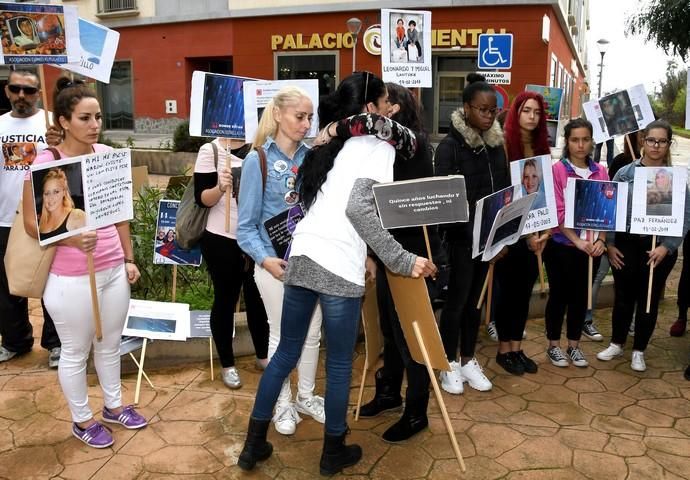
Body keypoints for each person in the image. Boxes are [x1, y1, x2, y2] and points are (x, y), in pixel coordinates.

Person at [237, 72, 436, 475]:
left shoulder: (333, 141)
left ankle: (252, 445)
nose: (391, 109)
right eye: (384, 103)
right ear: (371, 109)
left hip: (304, 255)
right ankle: (332, 452)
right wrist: (401, 259)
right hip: (337, 265)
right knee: (341, 362)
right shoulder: (376, 145)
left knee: (285, 353)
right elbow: (359, 211)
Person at [21, 77, 147, 448]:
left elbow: (121, 213)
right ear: (63, 121)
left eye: (98, 117)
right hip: (69, 276)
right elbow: (32, 223)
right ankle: (81, 419)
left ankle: (113, 406)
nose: (95, 125)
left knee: (109, 344)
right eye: (84, 118)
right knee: (75, 351)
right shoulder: (46, 162)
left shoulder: (106, 155)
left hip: (112, 270)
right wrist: (72, 237)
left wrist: (128, 259)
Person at [237, 86, 325, 436]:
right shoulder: (257, 160)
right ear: (278, 114)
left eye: (309, 118)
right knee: (281, 335)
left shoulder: (313, 159)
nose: (306, 124)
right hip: (275, 267)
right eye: (299, 116)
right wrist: (265, 260)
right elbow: (245, 227)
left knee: (312, 333)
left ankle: (306, 394)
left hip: (312, 263)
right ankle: (282, 402)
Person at [356, 83, 435, 442]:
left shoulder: (413, 142)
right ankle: (389, 393)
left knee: (410, 337)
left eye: (381, 104)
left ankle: (417, 412)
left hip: (409, 253)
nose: (374, 111)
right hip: (385, 250)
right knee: (388, 329)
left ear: (395, 110)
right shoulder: (380, 147)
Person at [434, 73, 509, 393]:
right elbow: (445, 202)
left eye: (493, 110)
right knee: (456, 303)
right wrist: (474, 235)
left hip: (488, 242)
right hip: (461, 242)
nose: (489, 116)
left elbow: (504, 192)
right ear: (466, 108)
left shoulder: (496, 145)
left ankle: (467, 358)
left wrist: (501, 237)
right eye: (482, 109)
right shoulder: (450, 147)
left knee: (475, 305)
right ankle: (447, 363)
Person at [598, 120, 690, 372]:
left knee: (648, 297)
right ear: (643, 141)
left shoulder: (675, 178)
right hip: (626, 244)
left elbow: (685, 216)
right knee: (624, 296)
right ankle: (617, 343)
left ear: (668, 144)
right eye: (651, 140)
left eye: (662, 141)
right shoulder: (624, 173)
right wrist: (610, 244)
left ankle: (639, 349)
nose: (656, 146)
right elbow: (610, 210)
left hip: (658, 248)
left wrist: (667, 247)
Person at [194, 137, 269, 390]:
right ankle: (227, 364)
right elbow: (201, 198)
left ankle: (263, 356)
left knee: (258, 299)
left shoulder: (261, 146)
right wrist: (220, 187)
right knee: (225, 300)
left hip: (255, 240)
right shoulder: (211, 150)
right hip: (221, 239)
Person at [0, 69, 61, 368]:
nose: (22, 95)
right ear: (7, 91)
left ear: (39, 92)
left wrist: (58, 143)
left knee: (51, 282)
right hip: (4, 218)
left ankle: (56, 343)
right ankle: (14, 341)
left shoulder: (53, 123)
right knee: (9, 284)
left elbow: (72, 161)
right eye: (16, 89)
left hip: (46, 215)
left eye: (29, 90)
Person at [492, 91, 551, 375]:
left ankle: (517, 347)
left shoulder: (543, 151)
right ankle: (504, 351)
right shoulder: (503, 146)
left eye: (537, 112)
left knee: (524, 293)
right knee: (508, 294)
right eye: (527, 110)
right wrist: (524, 234)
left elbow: (547, 196)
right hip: (510, 235)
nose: (532, 116)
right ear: (516, 112)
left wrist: (544, 233)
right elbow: (504, 194)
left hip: (536, 234)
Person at [544, 118, 608, 368]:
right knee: (559, 296)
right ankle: (553, 346)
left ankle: (574, 345)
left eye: (585, 139)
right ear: (567, 142)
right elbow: (559, 211)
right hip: (562, 246)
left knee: (580, 298)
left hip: (592, 247)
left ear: (592, 141)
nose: (580, 145)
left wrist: (601, 240)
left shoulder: (601, 171)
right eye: (574, 140)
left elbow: (607, 209)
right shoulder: (558, 170)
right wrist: (576, 241)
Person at [37, 167, 86, 241]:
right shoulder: (40, 221)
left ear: (64, 192)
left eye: (56, 192)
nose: (51, 198)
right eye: (47, 193)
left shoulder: (77, 215)